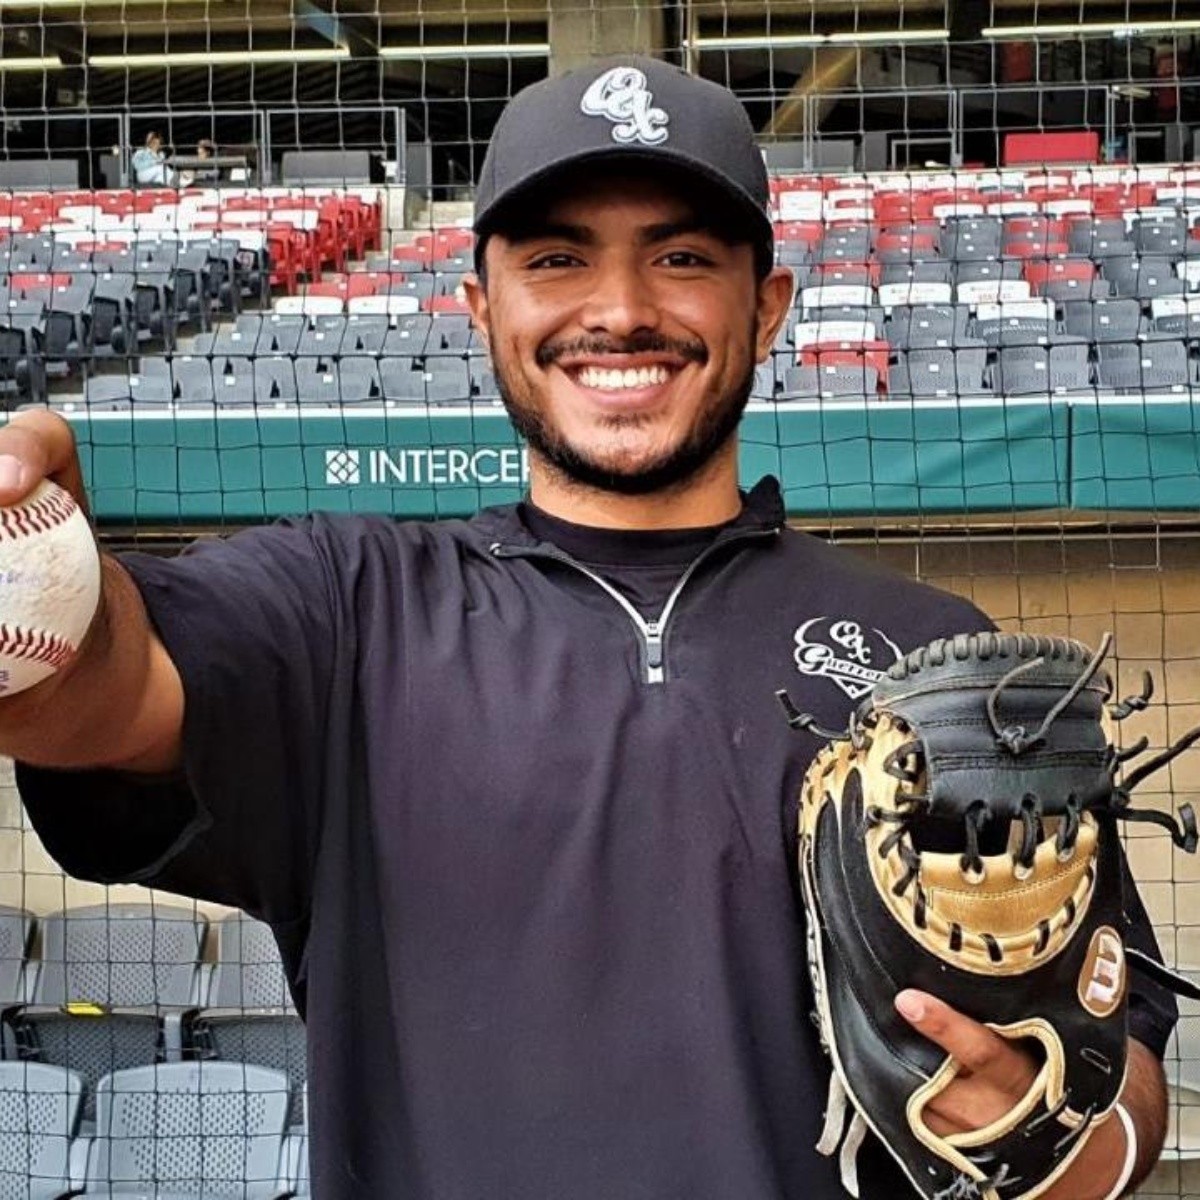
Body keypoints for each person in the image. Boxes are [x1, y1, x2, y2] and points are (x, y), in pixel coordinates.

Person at [0, 57, 1175, 1199]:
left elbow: (1125, 1084)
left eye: (682, 257)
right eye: (559, 258)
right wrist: (41, 591)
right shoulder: (344, 609)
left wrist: (1046, 1130)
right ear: (480, 305)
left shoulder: (937, 659)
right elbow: (102, 689)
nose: (621, 311)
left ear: (766, 308)